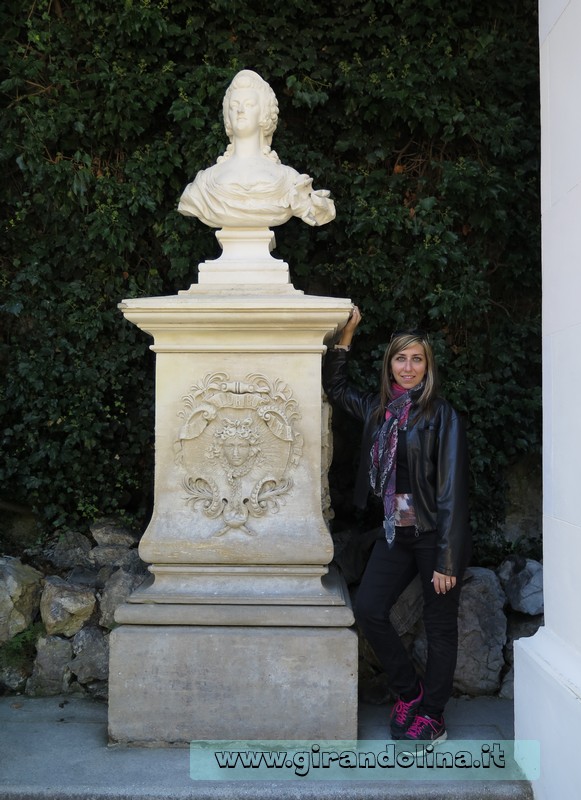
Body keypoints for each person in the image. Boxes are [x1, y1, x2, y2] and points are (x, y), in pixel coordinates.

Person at [323, 306, 471, 743]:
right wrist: (347, 335)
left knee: (440, 625)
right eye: (400, 359)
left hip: (434, 537)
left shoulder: (442, 416)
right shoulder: (377, 411)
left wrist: (447, 559)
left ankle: (433, 714)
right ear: (389, 363)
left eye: (417, 359)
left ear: (428, 366)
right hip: (395, 532)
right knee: (368, 608)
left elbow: (451, 493)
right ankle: (409, 691)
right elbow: (335, 387)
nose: (408, 368)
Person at [178, 69, 335, 229]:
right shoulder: (203, 184)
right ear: (227, 116)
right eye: (234, 105)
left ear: (264, 114)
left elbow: (320, 211)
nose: (240, 111)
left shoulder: (290, 181)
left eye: (249, 105)